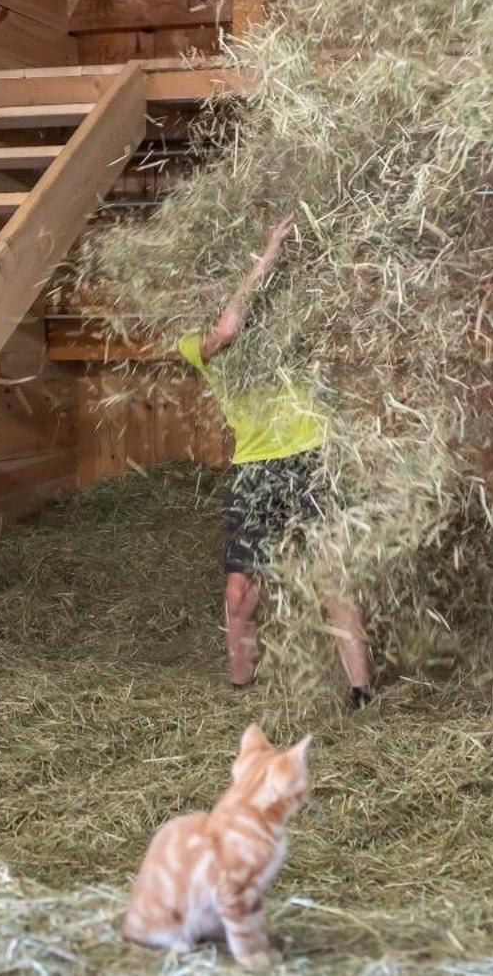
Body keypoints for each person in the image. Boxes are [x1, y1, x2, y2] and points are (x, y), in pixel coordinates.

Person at [177, 215, 376, 710]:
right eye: (204, 284)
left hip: (311, 459)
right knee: (241, 592)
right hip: (255, 470)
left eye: (216, 280)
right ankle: (241, 688)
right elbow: (228, 327)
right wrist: (268, 250)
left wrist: (282, 254)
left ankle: (361, 691)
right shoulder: (192, 343)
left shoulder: (288, 327)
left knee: (333, 580)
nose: (209, 291)